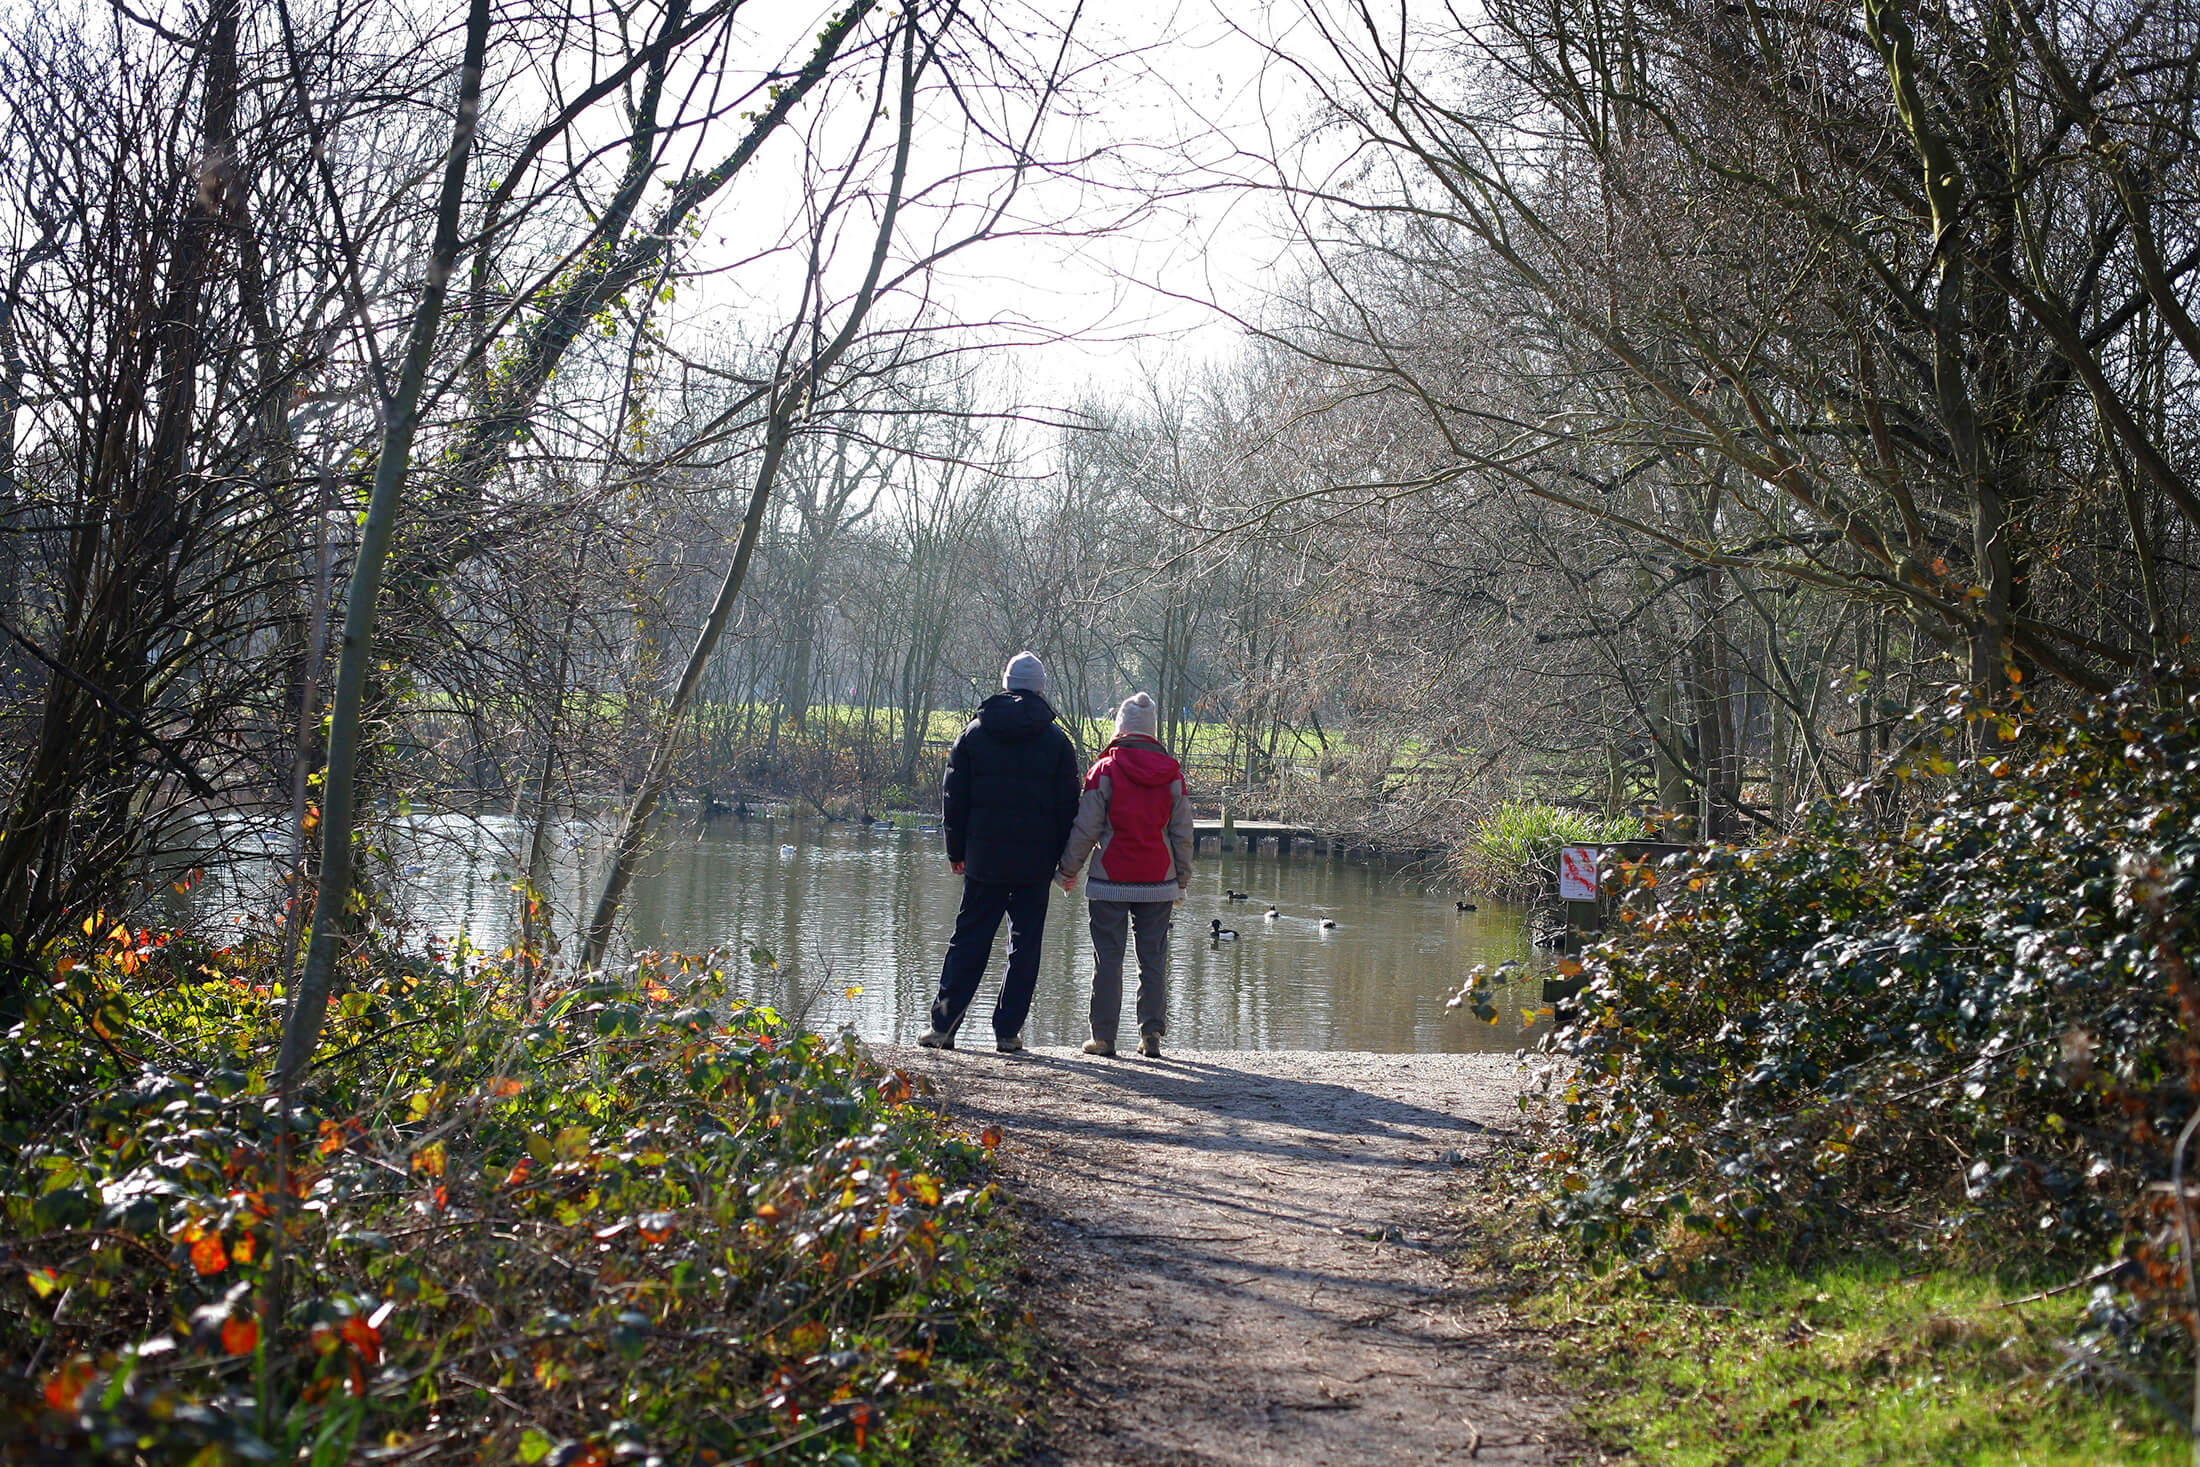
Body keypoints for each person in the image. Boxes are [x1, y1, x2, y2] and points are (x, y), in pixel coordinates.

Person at [918, 652, 1081, 1052]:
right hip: (1034, 863)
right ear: (1041, 687)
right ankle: (1007, 1032)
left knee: (969, 939)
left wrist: (955, 851)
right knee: (1024, 947)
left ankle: (944, 1027)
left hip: (983, 860)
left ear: (1006, 683)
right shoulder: (1058, 741)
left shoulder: (973, 734)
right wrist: (1064, 860)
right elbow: (1068, 808)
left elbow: (953, 800)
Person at [1057, 692, 1195, 1059]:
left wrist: (1068, 871)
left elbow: (1086, 829)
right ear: (1150, 733)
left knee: (1108, 959)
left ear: (1121, 728)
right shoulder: (1172, 776)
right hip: (1158, 882)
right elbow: (1182, 834)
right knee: (1153, 958)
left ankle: (1103, 1038)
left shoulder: (1104, 771)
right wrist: (1182, 879)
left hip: (1109, 881)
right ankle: (1151, 1035)